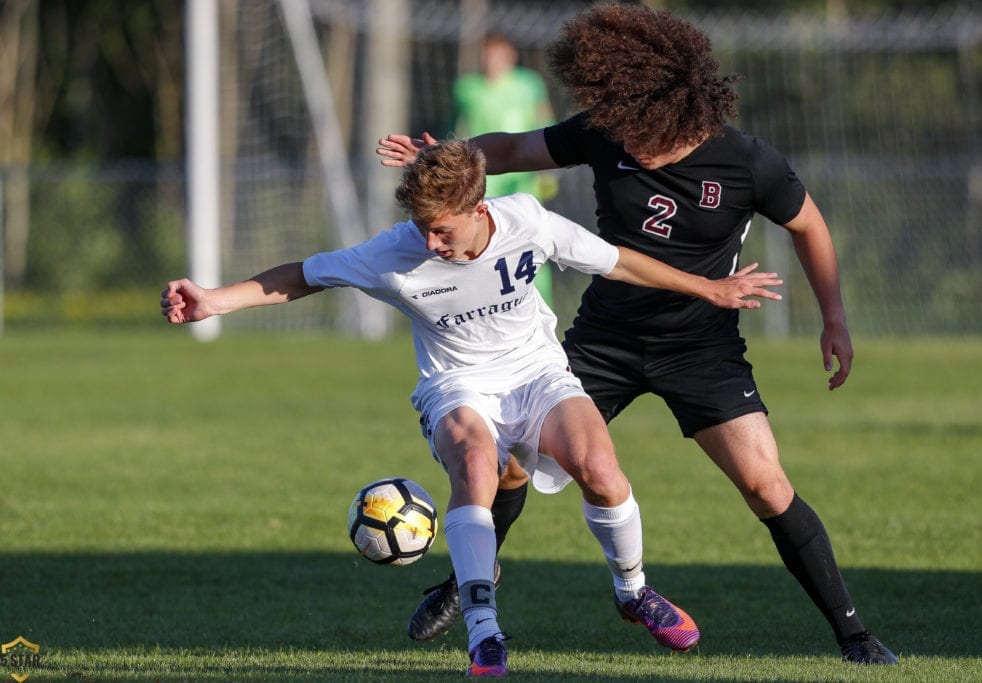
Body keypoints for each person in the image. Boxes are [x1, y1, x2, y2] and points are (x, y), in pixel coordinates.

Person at [377, 3, 899, 666]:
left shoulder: (747, 162)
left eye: (641, 131)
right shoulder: (608, 131)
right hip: (605, 339)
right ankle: (466, 584)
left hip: (702, 348)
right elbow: (510, 148)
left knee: (767, 484)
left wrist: (834, 318)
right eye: (620, 127)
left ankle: (853, 633)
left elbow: (810, 227)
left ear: (678, 111)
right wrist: (443, 161)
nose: (631, 144)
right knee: (505, 460)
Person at [161, 139, 784, 677]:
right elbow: (301, 275)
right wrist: (214, 300)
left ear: (479, 209)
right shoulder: (395, 252)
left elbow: (618, 262)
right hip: (457, 384)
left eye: (444, 229)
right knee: (477, 466)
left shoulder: (527, 222)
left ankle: (633, 592)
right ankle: (484, 630)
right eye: (423, 227)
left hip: (538, 373)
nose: (431, 242)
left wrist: (709, 286)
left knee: (601, 468)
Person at [452, 31, 558, 306]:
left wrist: (549, 169)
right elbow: (461, 128)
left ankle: (539, 301)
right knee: (483, 243)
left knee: (531, 237)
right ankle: (487, 303)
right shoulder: (467, 88)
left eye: (498, 55)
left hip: (523, 175)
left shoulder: (529, 85)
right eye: (487, 55)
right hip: (483, 177)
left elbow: (544, 118)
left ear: (511, 56)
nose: (492, 61)